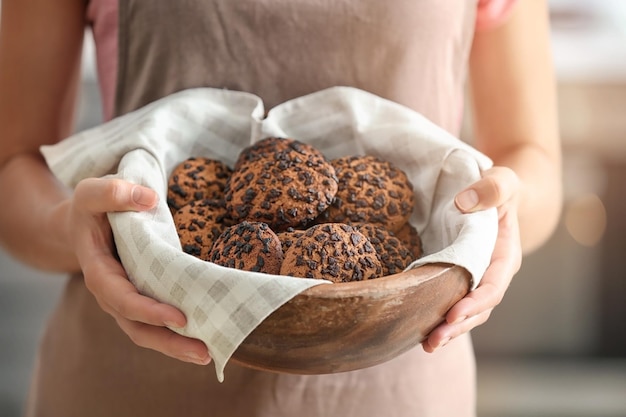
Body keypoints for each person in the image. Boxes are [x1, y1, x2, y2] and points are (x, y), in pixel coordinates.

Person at [0, 0, 562, 416]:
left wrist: (497, 216)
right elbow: (13, 166)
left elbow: (531, 160)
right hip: (133, 375)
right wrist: (72, 227)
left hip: (395, 374)